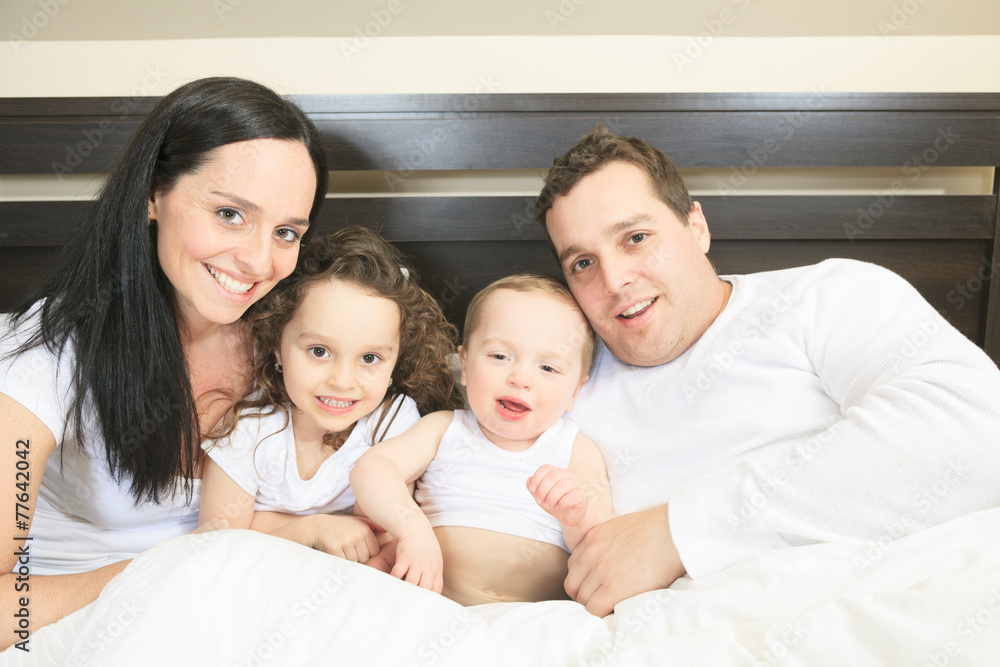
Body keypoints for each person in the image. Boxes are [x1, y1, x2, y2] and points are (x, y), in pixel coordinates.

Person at [533, 124, 1000, 617]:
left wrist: (676, 533)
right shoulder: (551, 385)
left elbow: (977, 434)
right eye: (583, 263)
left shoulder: (826, 297)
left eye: (636, 237)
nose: (615, 280)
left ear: (696, 227)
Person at [0, 76, 328, 645]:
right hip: (76, 622)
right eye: (230, 214)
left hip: (243, 610)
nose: (257, 260)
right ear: (154, 194)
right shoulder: (49, 352)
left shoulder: (301, 345)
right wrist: (172, 571)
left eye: (285, 232)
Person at [199, 226, 462, 564]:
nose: (341, 381)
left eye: (370, 358)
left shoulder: (391, 421)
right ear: (278, 345)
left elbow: (378, 530)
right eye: (319, 351)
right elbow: (215, 539)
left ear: (396, 359)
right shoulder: (247, 430)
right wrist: (312, 530)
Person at [350, 274, 613, 605]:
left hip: (532, 615)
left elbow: (602, 544)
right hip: (430, 599)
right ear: (464, 363)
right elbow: (371, 468)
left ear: (575, 391)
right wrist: (412, 532)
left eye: (547, 368)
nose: (520, 379)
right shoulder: (444, 429)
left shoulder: (576, 449)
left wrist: (575, 516)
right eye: (500, 357)